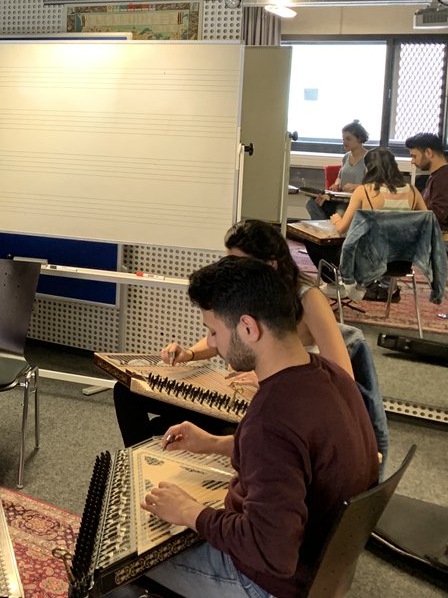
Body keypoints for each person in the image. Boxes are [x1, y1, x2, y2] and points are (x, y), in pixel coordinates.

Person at [140, 256, 378, 598]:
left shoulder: (270, 419)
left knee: (113, 567)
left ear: (249, 328)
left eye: (214, 332)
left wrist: (193, 514)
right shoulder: (331, 375)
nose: (214, 345)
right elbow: (297, 455)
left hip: (269, 583)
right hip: (324, 568)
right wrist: (215, 444)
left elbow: (272, 553)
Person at [114, 220, 352, 447]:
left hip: (261, 402)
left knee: (166, 427)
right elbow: (223, 335)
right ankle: (143, 467)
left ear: (271, 265)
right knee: (127, 392)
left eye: (239, 264)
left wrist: (267, 379)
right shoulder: (246, 291)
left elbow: (342, 375)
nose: (232, 272)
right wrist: (189, 354)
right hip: (230, 391)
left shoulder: (308, 298)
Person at [330, 146, 426, 235]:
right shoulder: (413, 191)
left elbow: (342, 228)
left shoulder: (363, 191)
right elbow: (427, 221)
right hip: (405, 251)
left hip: (371, 251)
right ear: (394, 165)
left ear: (368, 168)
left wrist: (337, 220)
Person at [305, 120, 368, 221]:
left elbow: (374, 186)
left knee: (340, 212)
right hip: (339, 198)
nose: (344, 142)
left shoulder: (369, 158)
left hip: (354, 202)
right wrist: (336, 184)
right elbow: (339, 177)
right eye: (343, 139)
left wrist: (355, 187)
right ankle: (326, 230)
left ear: (359, 139)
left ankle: (332, 230)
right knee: (312, 203)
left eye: (348, 139)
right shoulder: (346, 157)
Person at [406, 132, 448, 229]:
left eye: (414, 156)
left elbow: (439, 215)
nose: (412, 161)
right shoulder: (436, 176)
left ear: (428, 152)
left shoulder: (443, 178)